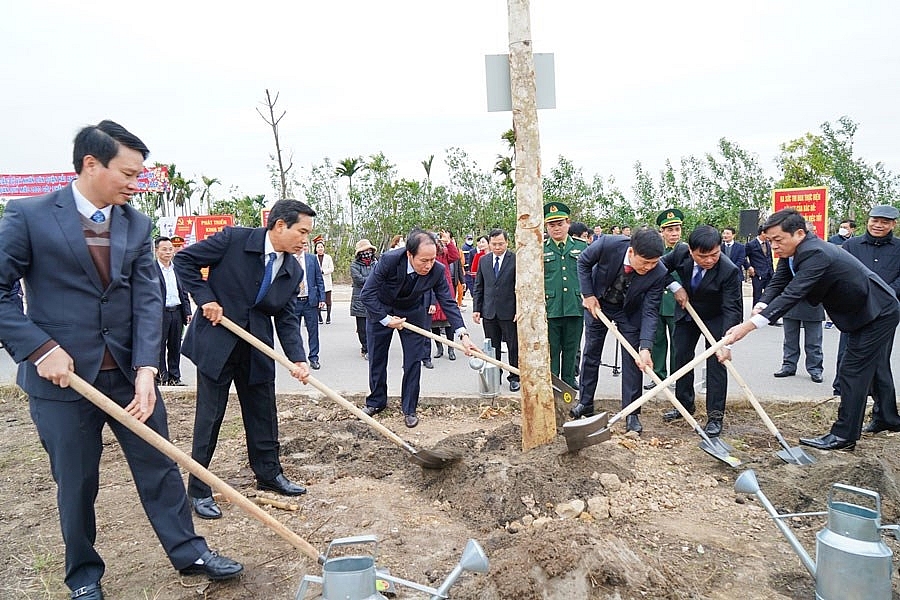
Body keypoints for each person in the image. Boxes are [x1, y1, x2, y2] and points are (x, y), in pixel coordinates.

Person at [0, 120, 242, 600]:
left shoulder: (136, 224)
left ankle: (189, 550)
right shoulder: (27, 216)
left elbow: (148, 301)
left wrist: (148, 369)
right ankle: (84, 574)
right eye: (128, 174)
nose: (136, 184)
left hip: (131, 375)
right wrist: (38, 347)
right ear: (91, 164)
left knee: (161, 466)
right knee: (77, 482)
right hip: (63, 382)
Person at [175, 198, 314, 520]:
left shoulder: (292, 269)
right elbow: (185, 261)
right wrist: (205, 299)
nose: (305, 239)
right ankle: (198, 488)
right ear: (280, 225)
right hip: (217, 343)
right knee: (210, 419)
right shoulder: (233, 240)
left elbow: (287, 318)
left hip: (257, 348)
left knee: (263, 414)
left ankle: (268, 474)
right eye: (302, 231)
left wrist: (298, 359)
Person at [724, 209, 900, 451]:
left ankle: (843, 436)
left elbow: (794, 292)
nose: (774, 246)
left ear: (799, 233)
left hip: (877, 312)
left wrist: (749, 326)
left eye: (778, 240)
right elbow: (780, 280)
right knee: (869, 366)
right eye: (770, 241)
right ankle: (886, 419)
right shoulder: (792, 251)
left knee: (851, 371)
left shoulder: (816, 252)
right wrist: (761, 305)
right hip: (862, 312)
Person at [360, 228, 478, 428]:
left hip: (413, 312)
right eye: (424, 260)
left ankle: (409, 409)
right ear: (409, 254)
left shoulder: (438, 270)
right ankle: (376, 401)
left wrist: (463, 334)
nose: (429, 265)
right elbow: (367, 294)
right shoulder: (389, 261)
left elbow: (448, 302)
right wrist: (386, 319)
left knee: (413, 362)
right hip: (381, 310)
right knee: (377, 358)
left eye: (432, 260)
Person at [570, 228, 667, 434]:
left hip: (630, 312)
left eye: (654, 263)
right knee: (591, 353)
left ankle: (631, 412)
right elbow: (583, 262)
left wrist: (646, 347)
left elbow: (650, 311)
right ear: (631, 252)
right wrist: (588, 294)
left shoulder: (659, 272)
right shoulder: (608, 244)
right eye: (645, 262)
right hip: (598, 303)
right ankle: (585, 402)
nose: (649, 267)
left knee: (633, 360)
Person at [659, 225, 743, 436]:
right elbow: (659, 268)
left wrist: (727, 342)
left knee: (716, 363)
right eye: (702, 256)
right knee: (682, 359)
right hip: (687, 314)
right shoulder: (679, 252)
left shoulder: (729, 270)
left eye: (714, 254)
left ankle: (715, 416)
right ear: (691, 252)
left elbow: (733, 308)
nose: (709, 260)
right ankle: (684, 406)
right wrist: (675, 287)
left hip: (716, 318)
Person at [835, 205, 900, 427]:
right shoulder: (851, 245)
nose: (878, 225)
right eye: (875, 220)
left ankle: (886, 416)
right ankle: (849, 416)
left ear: (893, 224)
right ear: (867, 221)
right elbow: (842, 273)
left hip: (885, 315)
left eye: (884, 222)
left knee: (880, 364)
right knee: (848, 362)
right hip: (856, 312)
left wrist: (883, 296)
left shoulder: (899, 248)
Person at [543, 202, 588, 388]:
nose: (556, 228)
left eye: (560, 223)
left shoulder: (581, 246)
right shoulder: (541, 248)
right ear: (546, 227)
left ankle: (568, 381)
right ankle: (553, 383)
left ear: (568, 223)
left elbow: (590, 274)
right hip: (551, 307)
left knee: (572, 348)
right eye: (551, 225)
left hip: (574, 305)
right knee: (552, 349)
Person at [472, 228, 520, 392]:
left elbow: (520, 287)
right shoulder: (484, 261)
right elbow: (479, 286)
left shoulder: (515, 259)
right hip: (489, 311)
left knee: (513, 346)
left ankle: (514, 376)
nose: (497, 247)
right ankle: (494, 374)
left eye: (501, 244)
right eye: (494, 244)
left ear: (507, 242)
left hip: (509, 311)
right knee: (492, 346)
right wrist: (477, 308)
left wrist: (518, 309)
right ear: (490, 244)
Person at [648, 208, 684, 389]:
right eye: (669, 230)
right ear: (661, 232)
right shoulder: (655, 250)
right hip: (657, 304)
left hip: (677, 305)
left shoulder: (686, 252)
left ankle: (676, 377)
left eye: (677, 229)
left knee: (678, 344)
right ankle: (658, 377)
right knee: (657, 342)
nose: (674, 233)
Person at [155, 236, 192, 386]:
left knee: (175, 346)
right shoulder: (151, 270)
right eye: (164, 249)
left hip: (176, 312)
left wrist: (187, 311)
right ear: (156, 251)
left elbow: (183, 292)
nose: (168, 252)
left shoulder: (177, 269)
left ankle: (174, 377)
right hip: (159, 313)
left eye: (170, 249)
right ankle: (162, 377)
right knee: (159, 347)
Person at [426, 230, 461, 366]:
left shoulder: (444, 252)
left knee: (449, 322)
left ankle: (451, 348)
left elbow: (455, 256)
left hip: (445, 290)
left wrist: (449, 242)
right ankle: (439, 347)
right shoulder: (427, 256)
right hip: (431, 290)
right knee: (434, 323)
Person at [774, 299, 824, 383]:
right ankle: (788, 366)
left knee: (814, 342)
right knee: (790, 341)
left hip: (814, 305)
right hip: (791, 304)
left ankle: (815, 369)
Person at [294, 240, 326, 370]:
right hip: (294, 302)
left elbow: (319, 279)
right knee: (293, 333)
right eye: (300, 244)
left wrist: (322, 298)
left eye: (305, 244)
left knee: (313, 331)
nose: (303, 246)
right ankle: (297, 359)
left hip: (310, 301)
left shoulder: (312, 259)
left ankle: (314, 357)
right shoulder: (288, 258)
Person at [351, 239, 378, 360]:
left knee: (374, 325)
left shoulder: (376, 263)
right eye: (364, 251)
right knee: (362, 327)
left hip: (375, 298)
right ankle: (365, 347)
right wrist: (373, 279)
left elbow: (381, 276)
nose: (367, 253)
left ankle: (372, 348)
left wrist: (373, 279)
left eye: (369, 250)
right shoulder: (354, 265)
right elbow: (359, 280)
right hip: (359, 298)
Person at [745, 226, 774, 306]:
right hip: (758, 274)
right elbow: (742, 257)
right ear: (762, 233)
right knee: (757, 296)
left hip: (769, 274)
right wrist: (749, 267)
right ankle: (756, 316)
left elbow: (769, 258)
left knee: (770, 295)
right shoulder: (751, 244)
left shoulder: (768, 243)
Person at [313, 236, 335, 324]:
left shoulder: (328, 257)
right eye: (318, 247)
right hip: (317, 283)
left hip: (327, 282)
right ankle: (320, 318)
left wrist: (323, 271)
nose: (320, 248)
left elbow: (331, 268)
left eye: (321, 247)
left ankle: (328, 317)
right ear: (316, 248)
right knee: (318, 300)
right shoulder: (313, 257)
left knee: (328, 300)